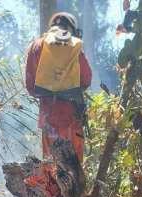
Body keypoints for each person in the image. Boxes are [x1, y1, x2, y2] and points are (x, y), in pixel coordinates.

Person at [24, 13, 92, 163]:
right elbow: (86, 79)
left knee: (51, 168)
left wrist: (49, 90)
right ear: (70, 28)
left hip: (49, 118)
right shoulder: (74, 45)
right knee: (74, 168)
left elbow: (30, 87)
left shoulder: (36, 46)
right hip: (72, 117)